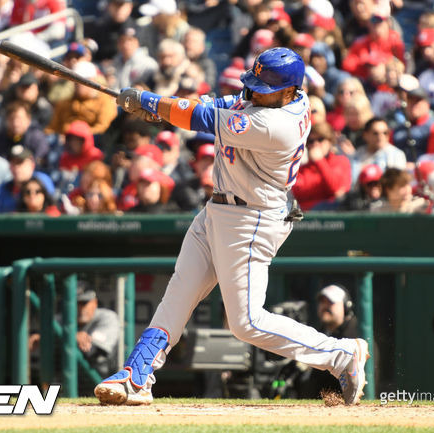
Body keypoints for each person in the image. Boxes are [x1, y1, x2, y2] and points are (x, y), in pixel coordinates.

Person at [93, 47, 369, 406]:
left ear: (288, 91)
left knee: (247, 322)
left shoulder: (277, 124)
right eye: (252, 84)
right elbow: (222, 102)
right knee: (179, 293)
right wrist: (162, 109)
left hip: (251, 219)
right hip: (220, 209)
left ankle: (341, 355)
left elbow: (206, 119)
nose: (252, 92)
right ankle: (137, 375)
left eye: (262, 87)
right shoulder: (269, 97)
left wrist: (151, 100)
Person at [29, 282, 120, 394]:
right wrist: (71, 337)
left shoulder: (107, 318)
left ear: (95, 303)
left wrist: (67, 337)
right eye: (76, 303)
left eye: (84, 303)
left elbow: (91, 352)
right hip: (64, 387)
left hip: (104, 385)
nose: (80, 308)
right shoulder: (58, 321)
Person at [296, 284, 361, 398]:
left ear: (346, 306)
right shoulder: (318, 332)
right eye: (322, 302)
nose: (325, 306)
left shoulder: (356, 334)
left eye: (331, 302)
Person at [291, 123, 351, 211]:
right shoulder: (302, 169)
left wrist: (319, 161)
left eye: (320, 139)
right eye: (311, 141)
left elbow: (335, 189)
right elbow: (298, 194)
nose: (315, 144)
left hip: (333, 217)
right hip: (305, 218)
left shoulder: (341, 161)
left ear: (330, 141)